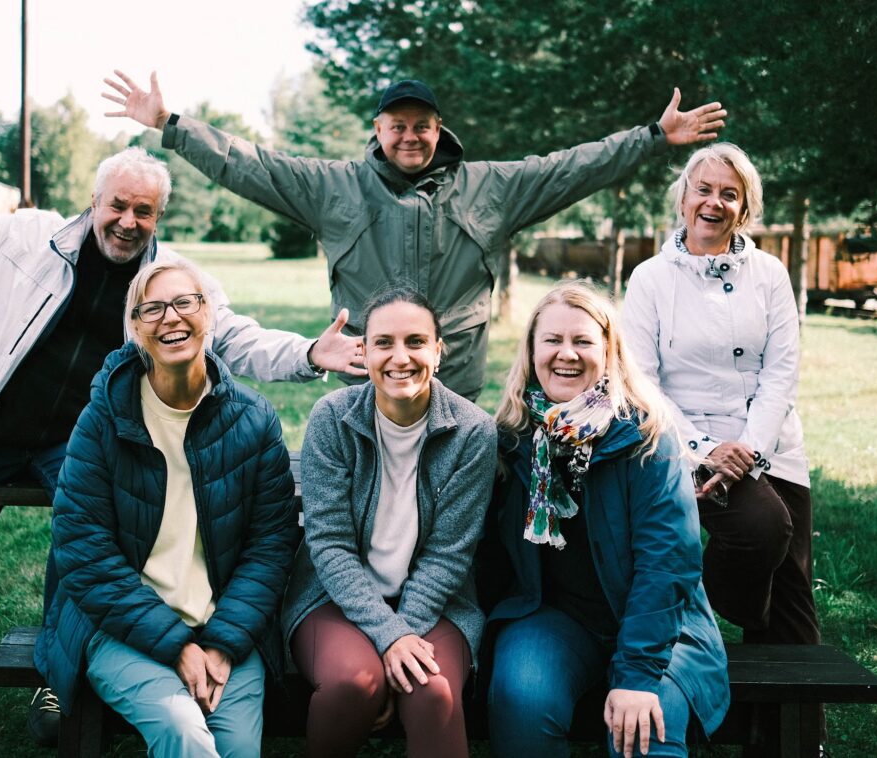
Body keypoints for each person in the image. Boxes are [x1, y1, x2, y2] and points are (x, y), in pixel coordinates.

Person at [0, 119, 363, 756]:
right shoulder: (25, 239)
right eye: (118, 205)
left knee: (81, 538)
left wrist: (309, 351)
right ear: (95, 201)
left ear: (158, 216)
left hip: (77, 436)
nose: (128, 221)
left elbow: (236, 337)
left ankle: (56, 677)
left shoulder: (169, 279)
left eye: (144, 210)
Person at [103, 70, 727, 400]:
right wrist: (169, 125)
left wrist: (650, 138)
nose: (410, 136)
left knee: (455, 511)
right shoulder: (333, 187)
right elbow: (250, 164)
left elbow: (570, 168)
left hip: (455, 384)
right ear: (378, 130)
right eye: (397, 125)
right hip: (364, 383)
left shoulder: (490, 187)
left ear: (439, 129)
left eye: (422, 125)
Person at [37, 256, 298, 757]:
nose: (171, 318)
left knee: (239, 748)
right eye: (152, 309)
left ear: (211, 316)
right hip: (120, 626)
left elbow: (270, 547)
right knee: (183, 731)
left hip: (226, 627)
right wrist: (176, 646)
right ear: (134, 330)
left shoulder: (254, 420)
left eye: (185, 302)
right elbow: (83, 553)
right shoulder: (102, 420)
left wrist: (222, 643)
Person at [484, 281, 729, 758]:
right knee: (521, 698)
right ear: (532, 350)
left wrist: (637, 674)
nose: (566, 354)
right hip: (556, 618)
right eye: (552, 340)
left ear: (609, 350)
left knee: (645, 733)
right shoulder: (513, 438)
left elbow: (669, 563)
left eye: (582, 341)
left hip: (661, 627)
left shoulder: (647, 436)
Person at [621, 143, 822, 653]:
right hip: (679, 442)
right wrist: (706, 449)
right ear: (683, 198)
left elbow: (781, 373)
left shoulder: (770, 274)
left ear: (744, 208)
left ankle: (790, 732)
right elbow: (641, 381)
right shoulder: (649, 278)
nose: (714, 203)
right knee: (761, 528)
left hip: (769, 442)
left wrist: (748, 450)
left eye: (729, 194)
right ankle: (711, 603)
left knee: (792, 594)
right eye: (703, 189)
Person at [281, 285, 497, 758]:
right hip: (334, 597)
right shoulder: (332, 419)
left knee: (432, 691)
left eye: (416, 342)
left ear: (439, 352)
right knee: (353, 683)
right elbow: (330, 545)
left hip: (436, 604)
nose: (401, 357)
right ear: (364, 351)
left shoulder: (472, 431)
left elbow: (448, 554)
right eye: (384, 342)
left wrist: (401, 633)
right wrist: (388, 635)